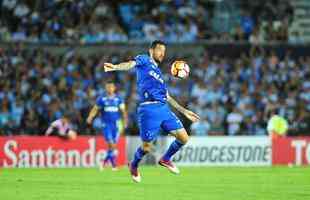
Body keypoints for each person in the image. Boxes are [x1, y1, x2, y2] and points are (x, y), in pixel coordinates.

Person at [103, 40, 200, 183]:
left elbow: (166, 96)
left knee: (184, 138)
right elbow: (130, 64)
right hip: (149, 109)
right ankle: (134, 165)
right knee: (147, 147)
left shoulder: (159, 74)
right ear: (151, 50)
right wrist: (116, 67)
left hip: (163, 108)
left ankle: (166, 159)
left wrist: (184, 111)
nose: (162, 53)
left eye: (164, 51)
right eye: (160, 50)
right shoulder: (144, 59)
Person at [87, 81, 128, 171]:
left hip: (117, 125)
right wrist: (90, 117)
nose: (109, 89)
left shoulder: (118, 99)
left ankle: (108, 164)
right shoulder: (102, 99)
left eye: (111, 87)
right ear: (106, 88)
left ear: (114, 88)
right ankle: (110, 164)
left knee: (113, 145)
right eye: (108, 87)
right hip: (106, 125)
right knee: (111, 144)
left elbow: (123, 111)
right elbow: (95, 109)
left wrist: (125, 122)